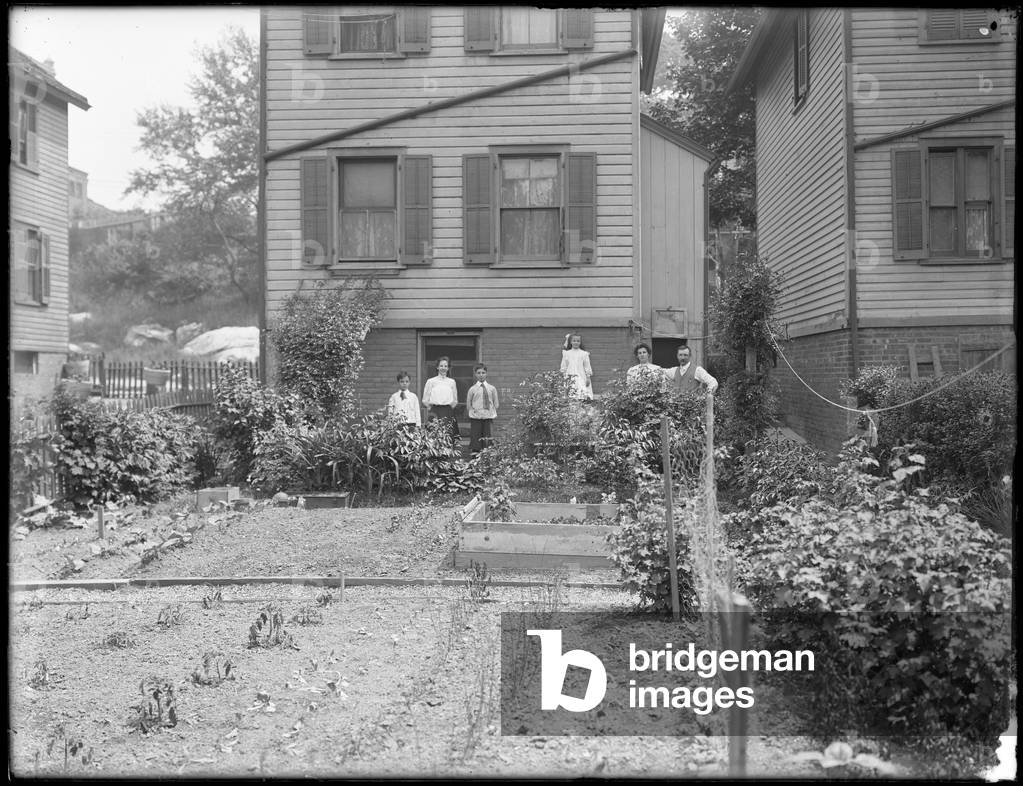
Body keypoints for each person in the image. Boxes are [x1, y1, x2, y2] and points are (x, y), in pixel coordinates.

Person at [422, 356, 459, 443]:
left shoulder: (451, 382)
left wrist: (448, 408)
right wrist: (432, 408)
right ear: (437, 367)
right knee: (434, 435)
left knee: (448, 435)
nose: (443, 368)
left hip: (448, 411)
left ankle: (447, 455)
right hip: (435, 410)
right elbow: (425, 399)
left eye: (445, 366)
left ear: (448, 368)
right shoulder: (431, 381)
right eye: (441, 366)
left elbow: (455, 400)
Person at [465, 363, 499, 455]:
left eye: (483, 372)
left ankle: (488, 462)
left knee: (488, 441)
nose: (481, 375)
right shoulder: (472, 389)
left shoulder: (492, 388)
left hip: (488, 418)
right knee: (476, 441)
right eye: (479, 373)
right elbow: (469, 405)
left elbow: (496, 404)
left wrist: (489, 412)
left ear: (486, 373)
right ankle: (475, 463)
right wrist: (475, 412)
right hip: (476, 418)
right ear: (475, 374)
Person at [560, 332, 593, 400]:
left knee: (582, 393)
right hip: (570, 375)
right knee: (570, 393)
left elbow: (587, 366)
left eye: (578, 341)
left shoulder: (584, 354)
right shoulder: (567, 353)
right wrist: (563, 376)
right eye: (574, 341)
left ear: (580, 342)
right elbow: (564, 366)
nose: (576, 342)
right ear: (571, 342)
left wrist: (588, 377)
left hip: (581, 375)